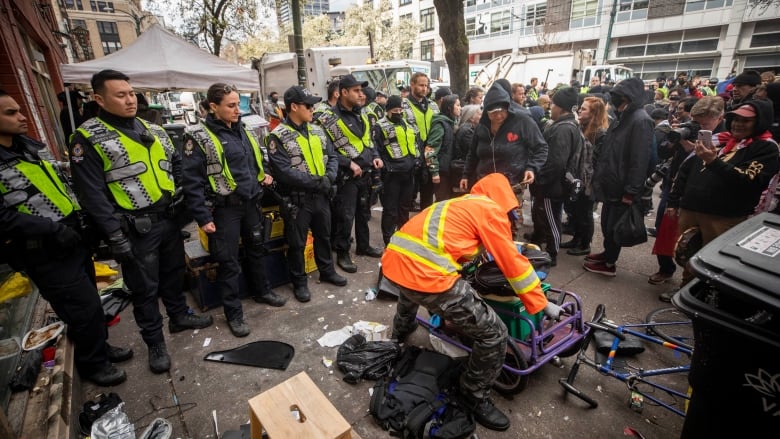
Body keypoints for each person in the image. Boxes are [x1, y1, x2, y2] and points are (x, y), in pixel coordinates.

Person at [385, 173, 562, 432]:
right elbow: (513, 264)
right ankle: (473, 394)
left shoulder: (457, 204)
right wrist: (541, 302)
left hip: (395, 264)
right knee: (494, 334)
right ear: (505, 199)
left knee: (410, 287)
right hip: (427, 277)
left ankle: (401, 330)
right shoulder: (491, 211)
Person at [69, 69, 213, 373]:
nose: (129, 99)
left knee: (173, 274)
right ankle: (155, 342)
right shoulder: (88, 137)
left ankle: (178, 316)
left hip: (168, 219)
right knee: (144, 290)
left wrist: (177, 193)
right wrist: (114, 235)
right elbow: (91, 193)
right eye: (120, 95)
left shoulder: (153, 128)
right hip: (134, 227)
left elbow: (175, 161)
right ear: (99, 99)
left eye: (131, 93)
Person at [0, 89, 132, 386]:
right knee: (81, 308)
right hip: (44, 250)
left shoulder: (26, 148)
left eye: (19, 110)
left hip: (71, 240)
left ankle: (101, 349)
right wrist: (53, 229)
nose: (21, 117)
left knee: (91, 302)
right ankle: (94, 365)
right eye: (10, 113)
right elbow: (4, 219)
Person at [181, 83, 283, 337]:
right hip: (225, 210)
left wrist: (265, 175)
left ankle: (262, 291)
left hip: (250, 203)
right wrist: (203, 217)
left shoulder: (243, 129)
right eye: (231, 105)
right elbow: (191, 182)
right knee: (228, 262)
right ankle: (234, 314)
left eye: (239, 104)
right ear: (213, 107)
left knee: (256, 250)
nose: (238, 110)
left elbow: (255, 160)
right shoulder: (198, 137)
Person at [664, 99, 779, 298]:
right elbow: (685, 171)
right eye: (735, 119)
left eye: (745, 121)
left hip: (723, 216)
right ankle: (685, 292)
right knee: (688, 253)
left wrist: (713, 161)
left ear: (760, 122)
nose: (737, 124)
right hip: (692, 209)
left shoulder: (766, 149)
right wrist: (673, 201)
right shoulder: (719, 140)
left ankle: (702, 297)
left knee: (711, 261)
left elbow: (748, 181)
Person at [266, 85, 347, 302]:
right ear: (294, 107)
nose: (313, 109)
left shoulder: (317, 130)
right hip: (297, 200)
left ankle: (327, 271)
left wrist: (328, 179)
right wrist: (318, 182)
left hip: (321, 196)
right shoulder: (277, 136)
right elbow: (284, 172)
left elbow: (333, 157)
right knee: (297, 243)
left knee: (324, 236)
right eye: (308, 105)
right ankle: (299, 283)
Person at [459, 82, 548, 239]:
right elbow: (472, 154)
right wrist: (466, 175)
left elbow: (541, 148)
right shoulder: (482, 126)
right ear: (486, 111)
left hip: (511, 185)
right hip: (484, 185)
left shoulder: (522, 121)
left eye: (502, 111)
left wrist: (531, 168)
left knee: (508, 225)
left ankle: (507, 255)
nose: (498, 116)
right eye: (493, 113)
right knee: (485, 225)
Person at [584, 77, 653, 276]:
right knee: (607, 224)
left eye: (619, 95)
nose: (615, 99)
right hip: (611, 183)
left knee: (615, 226)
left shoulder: (641, 120)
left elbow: (639, 160)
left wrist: (631, 191)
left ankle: (609, 264)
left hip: (623, 186)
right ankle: (607, 254)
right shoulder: (623, 117)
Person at [316, 74, 384, 273]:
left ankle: (363, 246)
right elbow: (325, 151)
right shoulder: (329, 118)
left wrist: (375, 156)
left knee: (363, 213)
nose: (361, 94)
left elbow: (368, 141)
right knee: (345, 217)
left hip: (366, 173)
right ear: (343, 92)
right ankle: (343, 253)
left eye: (361, 90)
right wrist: (348, 163)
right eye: (356, 91)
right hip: (346, 177)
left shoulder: (361, 113)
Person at [529, 87, 584, 266]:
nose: (550, 108)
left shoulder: (563, 129)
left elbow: (556, 162)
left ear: (561, 108)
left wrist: (541, 181)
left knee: (552, 219)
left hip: (552, 186)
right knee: (550, 216)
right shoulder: (566, 126)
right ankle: (545, 246)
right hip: (554, 184)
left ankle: (551, 254)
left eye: (553, 105)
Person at [561, 96, 608, 256]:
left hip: (589, 180)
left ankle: (584, 244)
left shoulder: (600, 133)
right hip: (577, 178)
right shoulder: (579, 127)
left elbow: (599, 161)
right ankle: (576, 239)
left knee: (585, 212)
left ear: (594, 113)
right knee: (576, 210)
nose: (580, 110)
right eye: (580, 108)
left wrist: (591, 183)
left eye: (584, 109)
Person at [371, 95, 420, 245]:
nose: (398, 112)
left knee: (404, 208)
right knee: (390, 210)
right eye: (395, 110)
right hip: (391, 174)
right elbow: (376, 149)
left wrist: (418, 161)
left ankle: (404, 237)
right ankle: (389, 240)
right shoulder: (380, 126)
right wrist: (382, 170)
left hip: (408, 172)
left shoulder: (408, 124)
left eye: (400, 109)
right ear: (387, 111)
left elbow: (416, 144)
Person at [402, 72, 437, 211]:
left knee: (428, 198)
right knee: (406, 197)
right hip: (411, 156)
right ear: (412, 85)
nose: (424, 89)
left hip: (429, 155)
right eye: (421, 85)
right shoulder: (403, 105)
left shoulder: (433, 106)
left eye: (426, 86)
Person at [426, 94, 461, 203]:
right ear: (449, 108)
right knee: (442, 203)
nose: (460, 108)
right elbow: (430, 149)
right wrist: (434, 172)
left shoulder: (451, 123)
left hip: (449, 170)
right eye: (458, 105)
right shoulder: (440, 124)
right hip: (441, 172)